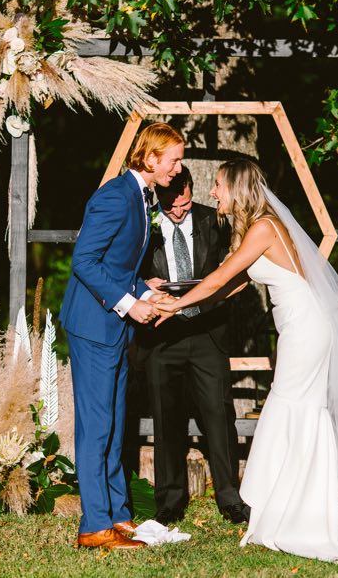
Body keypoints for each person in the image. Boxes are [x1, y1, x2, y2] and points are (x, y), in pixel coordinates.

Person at [154, 159, 338, 563]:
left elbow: (219, 278)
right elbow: (234, 284)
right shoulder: (261, 227)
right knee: (295, 410)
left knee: (293, 409)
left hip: (306, 329)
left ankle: (302, 515)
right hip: (300, 328)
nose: (213, 193)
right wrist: (190, 305)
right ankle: (287, 510)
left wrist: (173, 307)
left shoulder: (263, 227)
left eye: (219, 185)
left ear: (237, 188)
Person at [59, 122, 184, 550]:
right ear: (150, 158)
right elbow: (85, 262)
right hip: (93, 327)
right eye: (174, 160)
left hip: (113, 326)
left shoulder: (140, 195)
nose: (178, 168)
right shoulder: (116, 195)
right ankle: (94, 526)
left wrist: (147, 289)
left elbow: (118, 268)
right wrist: (132, 304)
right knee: (97, 427)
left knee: (114, 424)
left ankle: (117, 515)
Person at [135, 165, 249, 525]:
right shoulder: (145, 224)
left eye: (184, 204)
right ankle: (169, 500)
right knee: (166, 419)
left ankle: (230, 497)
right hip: (160, 334)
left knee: (219, 414)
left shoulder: (213, 220)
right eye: (171, 207)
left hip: (207, 332)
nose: (179, 211)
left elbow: (231, 273)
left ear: (189, 191)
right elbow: (125, 267)